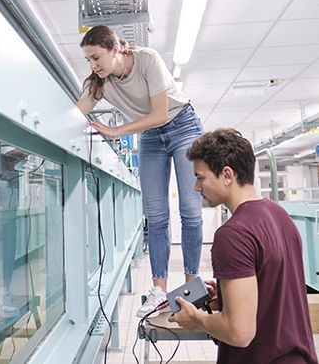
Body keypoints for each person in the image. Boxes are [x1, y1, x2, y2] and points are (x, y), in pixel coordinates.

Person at [76, 25, 203, 318]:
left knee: (190, 209)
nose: (94, 65)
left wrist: (116, 130)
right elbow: (78, 110)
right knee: (156, 214)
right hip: (151, 137)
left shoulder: (147, 59)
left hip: (181, 124)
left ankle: (192, 288)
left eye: (97, 57)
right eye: (89, 61)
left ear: (116, 49)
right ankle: (159, 290)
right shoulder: (99, 82)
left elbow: (159, 113)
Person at [170, 128, 317, 363]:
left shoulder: (232, 234)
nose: (197, 188)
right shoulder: (280, 216)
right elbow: (275, 288)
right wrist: (229, 297)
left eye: (200, 177)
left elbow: (239, 332)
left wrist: (196, 318)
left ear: (227, 175)